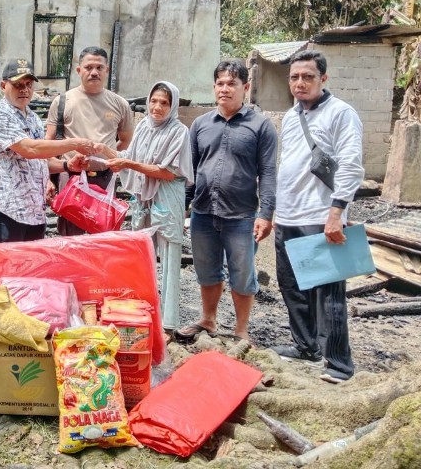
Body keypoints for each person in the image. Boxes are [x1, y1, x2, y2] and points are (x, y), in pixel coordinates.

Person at [271, 50, 364, 384]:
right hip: (288, 214)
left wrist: (337, 212)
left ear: (323, 78)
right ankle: (306, 346)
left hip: (321, 214)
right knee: (292, 286)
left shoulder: (341, 113)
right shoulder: (291, 116)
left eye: (308, 77)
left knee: (327, 292)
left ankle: (339, 363)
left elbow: (351, 164)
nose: (300, 83)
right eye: (295, 77)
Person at [176, 60, 277, 343]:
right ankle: (208, 320)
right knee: (206, 270)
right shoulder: (200, 124)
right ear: (214, 87)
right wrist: (183, 207)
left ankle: (241, 329)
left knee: (242, 273)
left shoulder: (261, 126)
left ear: (245, 87)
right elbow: (190, 171)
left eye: (232, 83)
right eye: (220, 83)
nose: (225, 89)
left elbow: (268, 172)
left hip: (242, 215)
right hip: (203, 213)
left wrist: (266, 213)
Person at [101, 81, 193, 333]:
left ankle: (169, 323)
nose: (157, 107)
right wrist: (103, 150)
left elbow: (167, 172)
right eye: (153, 101)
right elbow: (129, 156)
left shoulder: (179, 131)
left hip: (167, 196)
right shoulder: (143, 126)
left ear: (173, 105)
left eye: (164, 103)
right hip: (144, 197)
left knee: (170, 254)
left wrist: (129, 165)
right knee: (141, 253)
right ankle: (143, 313)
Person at [0, 59, 95, 243]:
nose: (24, 90)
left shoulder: (32, 117)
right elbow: (29, 149)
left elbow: (40, 159)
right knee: (11, 262)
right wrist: (74, 144)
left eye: (28, 84)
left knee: (32, 262)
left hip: (34, 211)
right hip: (8, 209)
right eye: (18, 85)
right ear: (3, 86)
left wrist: (67, 165)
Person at [45, 46, 133, 236]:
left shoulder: (120, 104)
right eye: (88, 67)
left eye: (99, 67)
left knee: (101, 236)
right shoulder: (62, 102)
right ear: (79, 70)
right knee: (71, 238)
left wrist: (105, 158)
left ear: (107, 70)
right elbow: (48, 143)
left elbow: (125, 141)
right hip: (72, 180)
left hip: (104, 178)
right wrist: (48, 178)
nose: (94, 72)